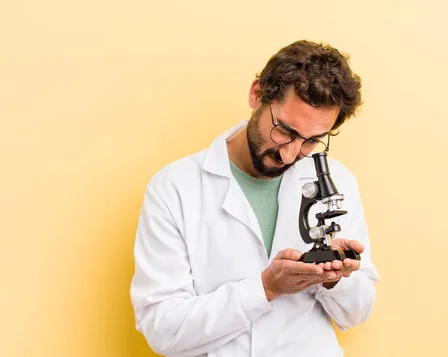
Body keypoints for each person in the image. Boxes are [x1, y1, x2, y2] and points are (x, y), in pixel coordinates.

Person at [130, 40, 380, 357]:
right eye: (285, 131)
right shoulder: (175, 188)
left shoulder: (337, 180)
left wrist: (334, 279)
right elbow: (161, 329)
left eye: (311, 141)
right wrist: (266, 288)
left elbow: (357, 313)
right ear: (257, 94)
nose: (291, 154)